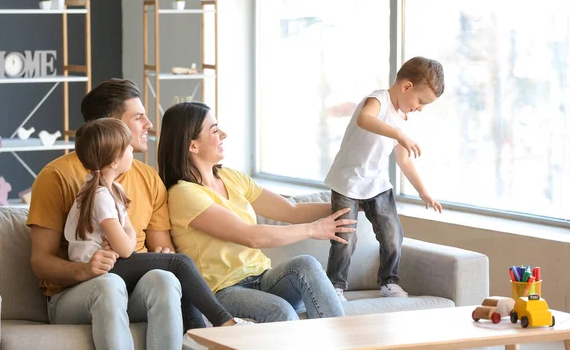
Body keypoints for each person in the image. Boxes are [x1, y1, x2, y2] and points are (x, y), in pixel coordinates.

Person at [157, 101, 357, 323]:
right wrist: (312, 230)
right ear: (192, 145)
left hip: (263, 278)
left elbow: (291, 210)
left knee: (306, 264)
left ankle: (342, 341)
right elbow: (251, 236)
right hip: (223, 291)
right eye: (214, 130)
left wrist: (352, 204)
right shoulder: (184, 194)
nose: (223, 134)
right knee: (280, 311)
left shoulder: (231, 178)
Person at [27, 79, 186, 350]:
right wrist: (85, 270)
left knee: (166, 278)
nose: (149, 124)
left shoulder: (148, 178)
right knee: (108, 285)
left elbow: (161, 247)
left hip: (132, 287)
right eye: (138, 117)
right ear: (111, 126)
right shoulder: (56, 176)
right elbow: (41, 261)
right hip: (74, 296)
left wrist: (164, 255)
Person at [65, 117, 251, 329]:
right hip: (101, 271)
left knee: (174, 269)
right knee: (179, 263)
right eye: (127, 148)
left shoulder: (113, 189)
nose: (132, 153)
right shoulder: (101, 196)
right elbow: (126, 249)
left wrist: (124, 235)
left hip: (113, 263)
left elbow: (123, 242)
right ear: (114, 161)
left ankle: (202, 333)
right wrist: (127, 233)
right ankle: (225, 322)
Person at [324, 56, 445, 302]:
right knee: (345, 237)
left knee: (392, 234)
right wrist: (398, 133)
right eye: (421, 101)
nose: (420, 108)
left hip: (377, 183)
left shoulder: (402, 118)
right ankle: (334, 286)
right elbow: (364, 119)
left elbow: (404, 160)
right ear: (407, 87)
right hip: (348, 181)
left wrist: (424, 192)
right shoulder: (377, 99)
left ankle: (389, 281)